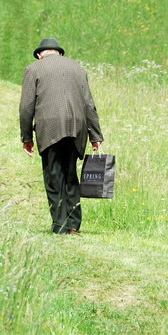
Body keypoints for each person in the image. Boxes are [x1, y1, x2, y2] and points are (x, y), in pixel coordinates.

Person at [19, 38, 104, 235]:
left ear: (40, 55)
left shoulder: (33, 69)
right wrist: (96, 135)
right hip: (77, 127)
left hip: (50, 128)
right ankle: (74, 224)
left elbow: (26, 107)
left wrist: (26, 138)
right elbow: (88, 103)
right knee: (71, 175)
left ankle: (60, 225)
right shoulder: (77, 68)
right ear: (60, 53)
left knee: (53, 176)